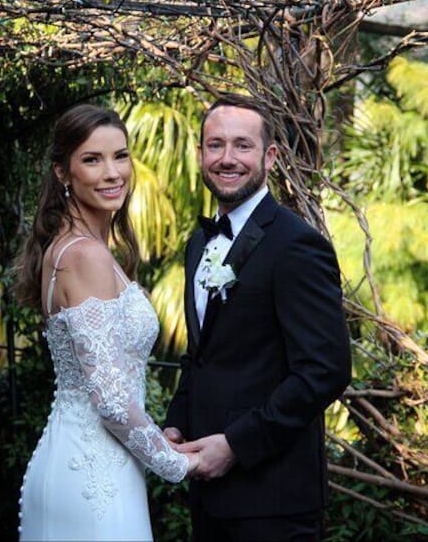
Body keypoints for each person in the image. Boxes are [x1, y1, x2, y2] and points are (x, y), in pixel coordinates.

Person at [164, 93, 352, 541]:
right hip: (209, 498)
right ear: (200, 154)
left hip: (274, 503)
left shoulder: (296, 245)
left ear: (270, 156)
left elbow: (324, 371)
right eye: (215, 145)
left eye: (242, 146)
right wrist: (175, 422)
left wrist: (235, 445)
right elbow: (204, 355)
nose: (227, 159)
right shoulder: (199, 244)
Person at [13, 103, 199, 541]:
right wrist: (180, 463)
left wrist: (155, 436)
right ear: (63, 172)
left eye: (120, 155)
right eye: (92, 160)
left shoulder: (72, 248)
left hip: (88, 458)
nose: (113, 172)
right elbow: (111, 400)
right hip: (93, 473)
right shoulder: (84, 255)